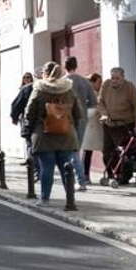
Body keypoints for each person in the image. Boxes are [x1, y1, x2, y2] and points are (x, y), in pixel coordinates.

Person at [25, 61, 85, 208]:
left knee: (47, 167)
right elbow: (78, 114)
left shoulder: (39, 89)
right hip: (66, 135)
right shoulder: (69, 90)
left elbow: (29, 112)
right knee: (67, 168)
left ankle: (45, 199)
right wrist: (71, 125)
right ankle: (70, 199)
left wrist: (30, 129)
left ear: (44, 73)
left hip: (43, 135)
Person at [98, 67, 136, 180]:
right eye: (112, 78)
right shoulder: (106, 85)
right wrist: (104, 114)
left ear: (123, 78)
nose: (114, 81)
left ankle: (124, 176)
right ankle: (112, 173)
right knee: (106, 150)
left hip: (124, 124)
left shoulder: (129, 87)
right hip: (108, 123)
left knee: (124, 151)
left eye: (117, 78)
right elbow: (100, 101)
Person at [64, 57, 96, 191]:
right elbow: (93, 102)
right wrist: (83, 106)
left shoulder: (62, 82)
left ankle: (80, 180)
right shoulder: (85, 82)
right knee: (75, 150)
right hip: (82, 119)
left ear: (64, 66)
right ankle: (79, 180)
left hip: (66, 119)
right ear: (76, 66)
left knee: (71, 152)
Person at [9, 72, 35, 165]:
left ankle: (32, 164)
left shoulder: (27, 89)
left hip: (29, 119)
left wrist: (14, 117)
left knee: (30, 142)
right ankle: (30, 161)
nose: (26, 79)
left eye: (28, 77)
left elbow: (15, 105)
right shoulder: (24, 89)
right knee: (29, 142)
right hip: (27, 118)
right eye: (24, 77)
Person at [81, 72, 104, 182]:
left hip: (96, 124)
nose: (100, 84)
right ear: (93, 82)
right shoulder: (87, 93)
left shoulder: (98, 93)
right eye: (99, 82)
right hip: (90, 123)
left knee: (103, 148)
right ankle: (85, 175)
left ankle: (109, 172)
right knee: (88, 149)